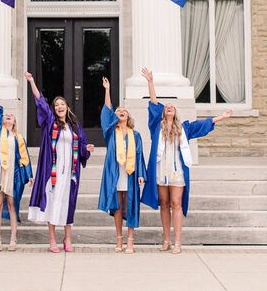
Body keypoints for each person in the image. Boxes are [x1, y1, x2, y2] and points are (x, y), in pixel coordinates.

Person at [140, 67, 233, 254]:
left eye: (171, 107)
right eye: (166, 106)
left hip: (177, 173)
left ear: (175, 112)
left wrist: (221, 117)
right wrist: (150, 82)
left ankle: (178, 242)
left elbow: (202, 124)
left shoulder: (184, 129)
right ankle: (166, 240)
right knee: (164, 205)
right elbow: (153, 103)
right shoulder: (155, 127)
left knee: (177, 204)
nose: (168, 107)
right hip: (160, 172)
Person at [25, 71, 94, 252]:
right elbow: (40, 102)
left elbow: (83, 146)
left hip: (70, 174)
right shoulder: (50, 122)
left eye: (62, 104)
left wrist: (87, 150)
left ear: (67, 107)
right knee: (53, 203)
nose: (59, 106)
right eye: (56, 105)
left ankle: (68, 239)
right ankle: (52, 240)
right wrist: (32, 81)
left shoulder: (75, 126)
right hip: (53, 172)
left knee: (68, 204)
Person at [0, 74, 33, 251]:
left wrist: (29, 175)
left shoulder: (19, 137)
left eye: (11, 115)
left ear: (15, 122)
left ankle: (13, 239)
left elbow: (25, 158)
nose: (8, 115)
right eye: (6, 115)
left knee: (12, 205)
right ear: (1, 120)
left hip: (13, 175)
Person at [98, 77, 146, 253]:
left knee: (131, 206)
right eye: (119, 110)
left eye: (124, 110)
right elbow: (107, 111)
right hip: (115, 173)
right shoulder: (111, 132)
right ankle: (119, 240)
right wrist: (107, 90)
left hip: (131, 174)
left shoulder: (136, 135)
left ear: (129, 116)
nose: (121, 111)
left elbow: (140, 156)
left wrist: (142, 174)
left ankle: (130, 241)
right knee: (117, 207)